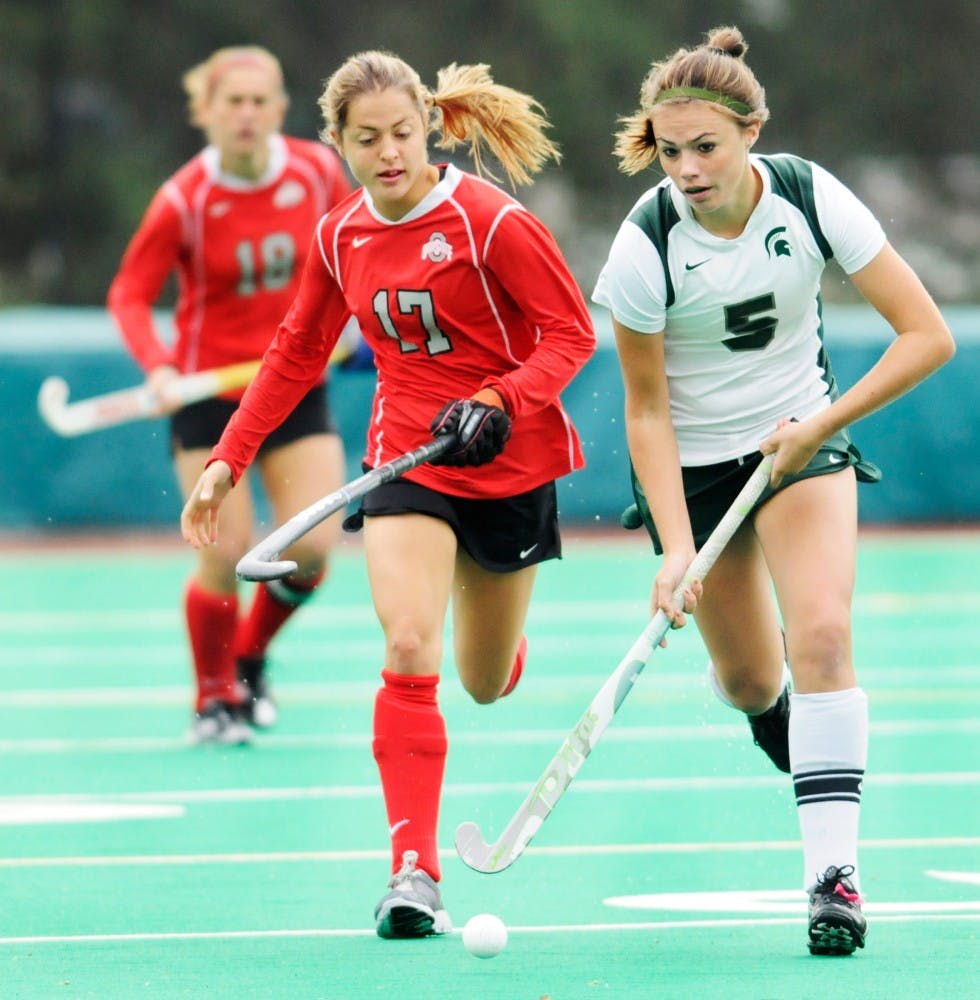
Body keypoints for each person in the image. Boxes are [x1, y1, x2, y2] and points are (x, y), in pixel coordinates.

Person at [180, 51, 596, 937]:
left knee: (482, 681)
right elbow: (296, 352)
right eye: (366, 139)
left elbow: (571, 334)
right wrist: (227, 458)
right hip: (407, 460)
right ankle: (414, 872)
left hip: (510, 462)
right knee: (409, 643)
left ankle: (501, 649)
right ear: (338, 143)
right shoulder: (340, 234)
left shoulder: (492, 221)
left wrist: (501, 398)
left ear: (428, 128)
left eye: (402, 133)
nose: (389, 153)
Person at [592, 25, 954, 957]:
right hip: (694, 468)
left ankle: (833, 882)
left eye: (706, 147)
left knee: (823, 635)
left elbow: (928, 336)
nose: (687, 169)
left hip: (802, 444)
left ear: (752, 131)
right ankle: (768, 705)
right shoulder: (644, 244)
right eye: (670, 151)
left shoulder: (808, 195)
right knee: (755, 680)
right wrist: (676, 546)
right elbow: (645, 411)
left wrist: (819, 427)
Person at [107, 46, 355, 744]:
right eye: (232, 102)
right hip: (209, 396)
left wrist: (367, 323)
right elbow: (129, 294)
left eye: (259, 101)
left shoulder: (316, 172)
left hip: (294, 383)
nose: (246, 114)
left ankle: (248, 658)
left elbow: (357, 249)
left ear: (280, 110)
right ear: (206, 112)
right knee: (225, 551)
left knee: (312, 548)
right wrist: (158, 365)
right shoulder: (184, 199)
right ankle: (212, 698)